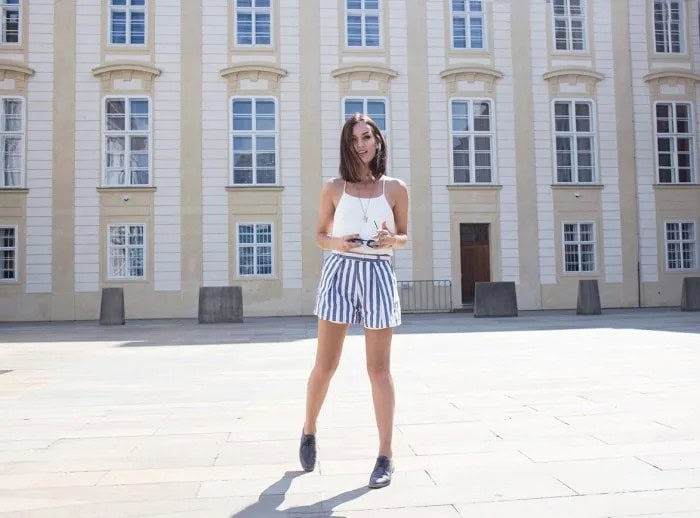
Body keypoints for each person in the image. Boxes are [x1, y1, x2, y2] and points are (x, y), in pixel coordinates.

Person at [299, 113, 409, 489]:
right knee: (325, 367)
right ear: (347, 146)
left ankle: (385, 455)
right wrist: (338, 242)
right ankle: (309, 428)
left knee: (379, 370)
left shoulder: (395, 189)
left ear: (378, 141)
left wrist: (391, 241)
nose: (361, 144)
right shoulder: (333, 188)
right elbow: (318, 236)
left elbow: (405, 235)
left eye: (367, 136)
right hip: (340, 271)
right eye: (354, 139)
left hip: (378, 273)